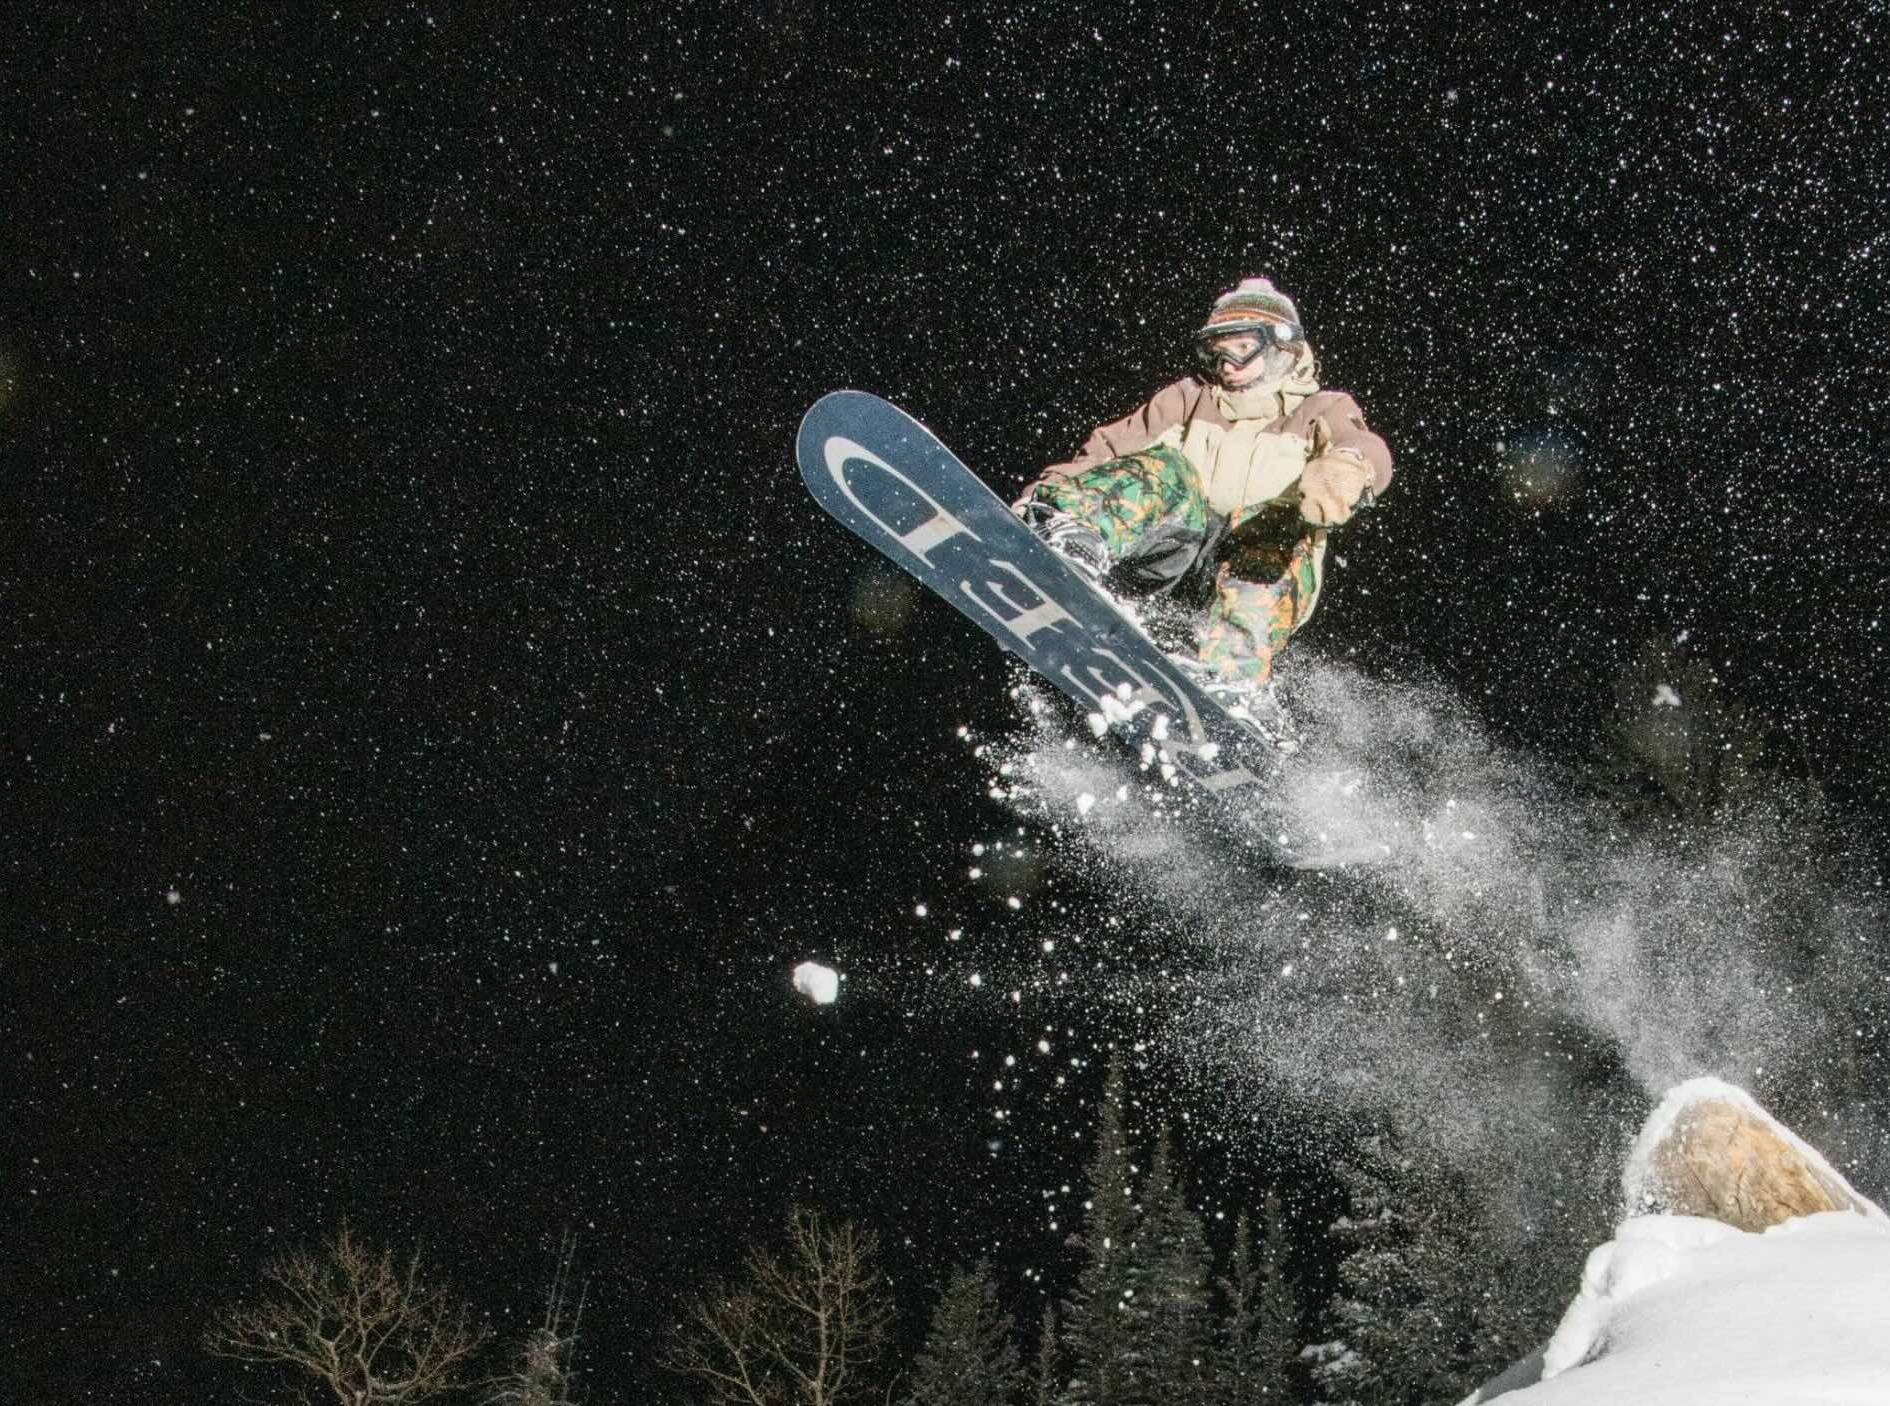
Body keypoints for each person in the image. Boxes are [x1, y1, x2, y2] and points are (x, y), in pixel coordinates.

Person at [1014, 276, 1392, 733]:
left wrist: (1348, 468)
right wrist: (1042, 498)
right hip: (1171, 554)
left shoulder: (1319, 408)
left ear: (1281, 348)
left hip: (1250, 573)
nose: (1226, 364)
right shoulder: (1190, 398)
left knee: (1276, 522)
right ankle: (1073, 541)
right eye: (1216, 352)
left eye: (1241, 348)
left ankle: (1234, 676)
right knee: (1169, 471)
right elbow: (1110, 451)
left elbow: (1362, 443)